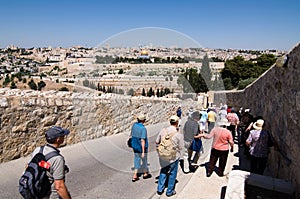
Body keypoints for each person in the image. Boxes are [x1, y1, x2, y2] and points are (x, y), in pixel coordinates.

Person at [30, 126, 71, 199]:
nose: (64, 137)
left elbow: (29, 166)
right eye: (62, 136)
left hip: (37, 192)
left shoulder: (38, 150)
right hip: (51, 195)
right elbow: (59, 186)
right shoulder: (57, 159)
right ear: (58, 139)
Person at [156, 115, 183, 197]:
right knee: (172, 173)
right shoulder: (178, 134)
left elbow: (157, 142)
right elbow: (181, 147)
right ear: (177, 123)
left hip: (163, 156)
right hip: (173, 157)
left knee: (163, 171)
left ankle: (160, 189)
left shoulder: (163, 130)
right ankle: (169, 191)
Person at [131, 113, 152, 182]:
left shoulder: (134, 125)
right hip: (141, 147)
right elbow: (142, 140)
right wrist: (143, 151)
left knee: (136, 159)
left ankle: (135, 175)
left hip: (135, 146)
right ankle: (145, 173)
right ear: (144, 120)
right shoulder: (143, 129)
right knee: (144, 159)